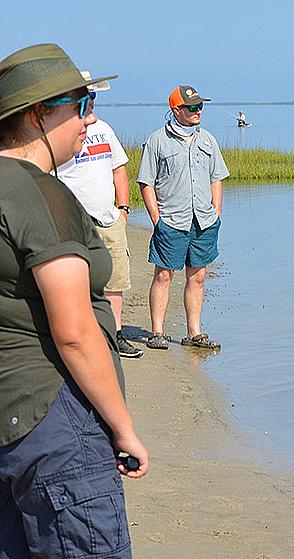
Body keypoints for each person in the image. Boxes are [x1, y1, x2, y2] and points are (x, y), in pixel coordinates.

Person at [0, 43, 148, 558]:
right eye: (80, 105)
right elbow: (74, 330)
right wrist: (122, 426)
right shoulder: (38, 193)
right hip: (55, 418)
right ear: (40, 113)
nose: (90, 119)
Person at [57, 71, 143, 358]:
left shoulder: (104, 130)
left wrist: (124, 208)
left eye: (93, 97)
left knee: (116, 279)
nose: (90, 103)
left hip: (109, 218)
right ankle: (80, 334)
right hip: (73, 219)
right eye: (84, 98)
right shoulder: (61, 134)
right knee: (76, 279)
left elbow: (119, 169)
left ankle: (115, 334)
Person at [138, 85, 229, 350]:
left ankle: (194, 333)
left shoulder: (208, 140)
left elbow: (217, 178)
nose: (198, 111)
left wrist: (217, 212)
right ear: (176, 110)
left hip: (203, 220)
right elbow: (146, 182)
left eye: (200, 106)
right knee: (164, 275)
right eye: (192, 107)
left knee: (198, 276)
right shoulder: (157, 140)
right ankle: (157, 332)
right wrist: (157, 220)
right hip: (171, 220)